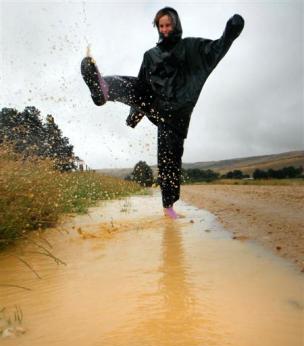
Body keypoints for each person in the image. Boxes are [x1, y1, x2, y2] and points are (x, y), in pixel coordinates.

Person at [81, 7, 245, 219]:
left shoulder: (191, 47)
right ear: (157, 28)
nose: (165, 29)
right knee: (132, 84)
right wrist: (134, 115)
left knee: (169, 160)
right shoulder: (151, 55)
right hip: (156, 103)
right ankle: (103, 89)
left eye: (168, 25)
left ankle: (169, 207)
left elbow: (215, 50)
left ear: (175, 25)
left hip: (177, 113)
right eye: (161, 26)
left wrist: (230, 34)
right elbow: (140, 85)